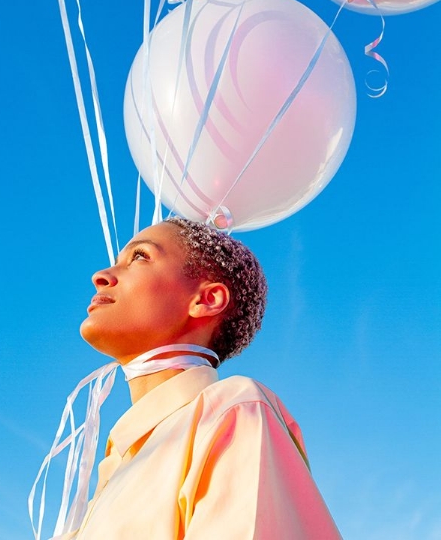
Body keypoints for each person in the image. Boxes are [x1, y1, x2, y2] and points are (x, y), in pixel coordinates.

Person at [38, 218, 342, 539]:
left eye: (139, 257)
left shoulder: (234, 410)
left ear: (207, 299)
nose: (101, 276)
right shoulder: (116, 464)